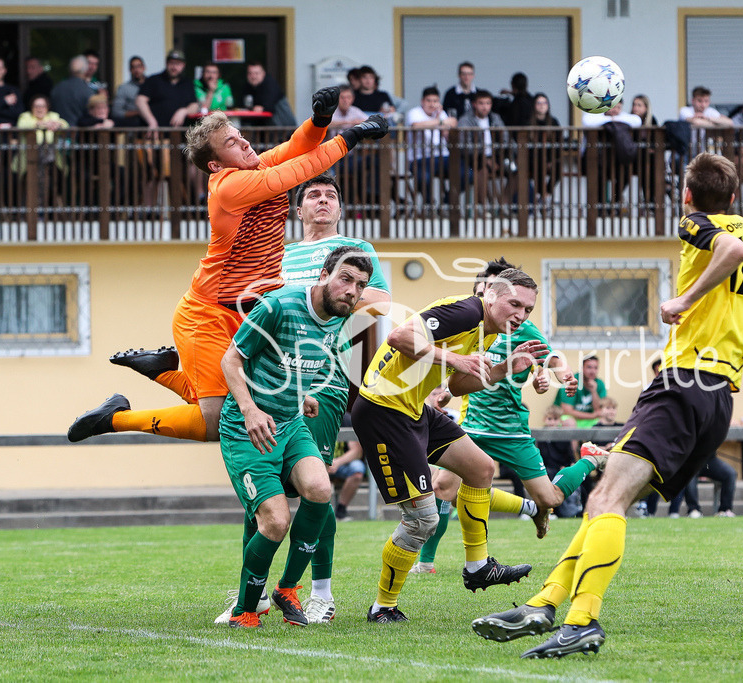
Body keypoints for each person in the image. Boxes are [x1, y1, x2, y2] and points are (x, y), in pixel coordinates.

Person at [471, 152, 743, 659]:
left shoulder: (697, 223)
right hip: (717, 399)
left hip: (683, 385)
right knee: (604, 501)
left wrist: (685, 300)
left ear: (687, 195)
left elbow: (728, 250)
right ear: (733, 196)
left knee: (606, 500)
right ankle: (545, 604)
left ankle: (580, 620)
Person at [65, 89, 389, 445]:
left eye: (239, 135)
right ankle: (115, 418)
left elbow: (295, 148)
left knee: (245, 401)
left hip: (243, 309)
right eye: (232, 143)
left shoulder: (253, 165)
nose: (245, 144)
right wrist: (351, 136)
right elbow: (298, 171)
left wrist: (319, 121)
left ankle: (165, 371)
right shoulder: (229, 185)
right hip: (208, 313)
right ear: (217, 164)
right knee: (216, 421)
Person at [351, 267, 549, 623]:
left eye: (528, 310)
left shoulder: (485, 329)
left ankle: (477, 567)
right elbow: (399, 337)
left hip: (413, 409)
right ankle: (383, 607)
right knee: (422, 521)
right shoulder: (467, 311)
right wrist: (455, 358)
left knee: (481, 468)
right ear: (490, 294)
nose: (520, 315)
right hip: (384, 411)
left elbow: (456, 385)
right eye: (514, 304)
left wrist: (506, 368)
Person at [217, 246, 373, 629]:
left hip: (290, 424)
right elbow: (231, 360)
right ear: (324, 274)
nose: (352, 291)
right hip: (245, 429)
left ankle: (287, 588)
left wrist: (301, 397)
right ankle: (245, 610)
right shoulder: (279, 305)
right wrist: (252, 410)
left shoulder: (340, 319)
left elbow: (290, 362)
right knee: (275, 522)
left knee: (320, 490)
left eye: (360, 286)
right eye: (345, 278)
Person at [264, 172, 391, 625]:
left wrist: (305, 297)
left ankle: (320, 593)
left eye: (331, 196)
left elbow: (377, 302)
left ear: (339, 209)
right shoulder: (278, 254)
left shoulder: (353, 250)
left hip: (324, 380)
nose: (322, 201)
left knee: (316, 491)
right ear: (298, 210)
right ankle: (254, 593)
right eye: (313, 195)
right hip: (271, 381)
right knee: (266, 486)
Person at [413, 258, 592, 574]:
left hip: (511, 430)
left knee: (550, 497)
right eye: (484, 288)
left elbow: (551, 358)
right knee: (444, 489)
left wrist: (563, 375)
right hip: (473, 424)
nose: (486, 294)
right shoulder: (472, 323)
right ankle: (428, 563)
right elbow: (458, 371)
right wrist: (445, 392)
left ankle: (588, 461)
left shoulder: (521, 327)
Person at [405, 86, 456, 204]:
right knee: (424, 178)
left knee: (467, 173)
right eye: (429, 101)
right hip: (419, 158)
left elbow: (449, 130)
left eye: (435, 101)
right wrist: (441, 121)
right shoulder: (414, 112)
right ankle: (429, 204)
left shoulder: (441, 113)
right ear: (422, 101)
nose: (432, 104)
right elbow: (416, 125)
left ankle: (447, 202)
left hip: (442, 156)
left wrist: (441, 120)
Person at [458, 90, 510, 206]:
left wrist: (495, 158)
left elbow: (505, 139)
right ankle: (484, 207)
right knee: (482, 169)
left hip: (496, 157)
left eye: (488, 103)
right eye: (481, 103)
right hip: (473, 161)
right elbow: (464, 146)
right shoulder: (465, 120)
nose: (485, 107)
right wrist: (484, 157)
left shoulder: (495, 118)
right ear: (474, 104)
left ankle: (502, 202)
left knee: (517, 169)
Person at [136, 50, 198, 132]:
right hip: (155, 135)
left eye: (178, 64)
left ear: (183, 65)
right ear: (166, 63)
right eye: (171, 63)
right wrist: (151, 121)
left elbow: (194, 105)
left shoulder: (187, 83)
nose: (174, 67)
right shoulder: (154, 80)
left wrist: (184, 111)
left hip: (179, 136)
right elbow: (140, 100)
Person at [554, 355, 607, 428]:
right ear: (582, 368)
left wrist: (594, 391)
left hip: (588, 420)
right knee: (570, 422)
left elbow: (599, 410)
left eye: (595, 368)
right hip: (570, 419)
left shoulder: (599, 384)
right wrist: (592, 416)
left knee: (603, 421)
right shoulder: (571, 381)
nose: (592, 371)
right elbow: (567, 411)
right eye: (589, 367)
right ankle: (575, 440)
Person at [529, 93, 562, 204]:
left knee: (557, 167)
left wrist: (551, 159)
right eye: (539, 103)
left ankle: (546, 194)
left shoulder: (553, 122)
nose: (542, 106)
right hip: (534, 158)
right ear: (534, 105)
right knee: (538, 165)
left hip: (550, 157)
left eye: (544, 103)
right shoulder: (529, 122)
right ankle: (543, 196)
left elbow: (558, 143)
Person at [241, 62, 296, 127]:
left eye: (256, 73)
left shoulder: (270, 84)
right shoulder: (249, 87)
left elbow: (268, 106)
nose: (253, 76)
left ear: (263, 74)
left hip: (282, 128)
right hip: (267, 128)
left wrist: (261, 108)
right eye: (250, 73)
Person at [50, 55, 92, 127]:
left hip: (59, 132)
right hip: (80, 134)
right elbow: (91, 114)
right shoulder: (87, 90)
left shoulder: (57, 88)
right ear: (85, 70)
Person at [111, 56, 147, 123]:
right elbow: (116, 112)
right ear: (130, 70)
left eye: (139, 66)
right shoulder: (124, 88)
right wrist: (139, 112)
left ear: (144, 68)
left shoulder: (152, 86)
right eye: (133, 67)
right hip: (133, 127)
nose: (136, 70)